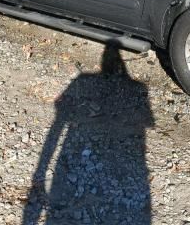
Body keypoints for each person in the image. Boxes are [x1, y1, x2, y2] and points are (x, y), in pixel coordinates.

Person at [23, 42, 154, 224]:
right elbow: (146, 123)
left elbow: (59, 119)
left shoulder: (84, 81)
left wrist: (41, 171)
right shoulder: (136, 89)